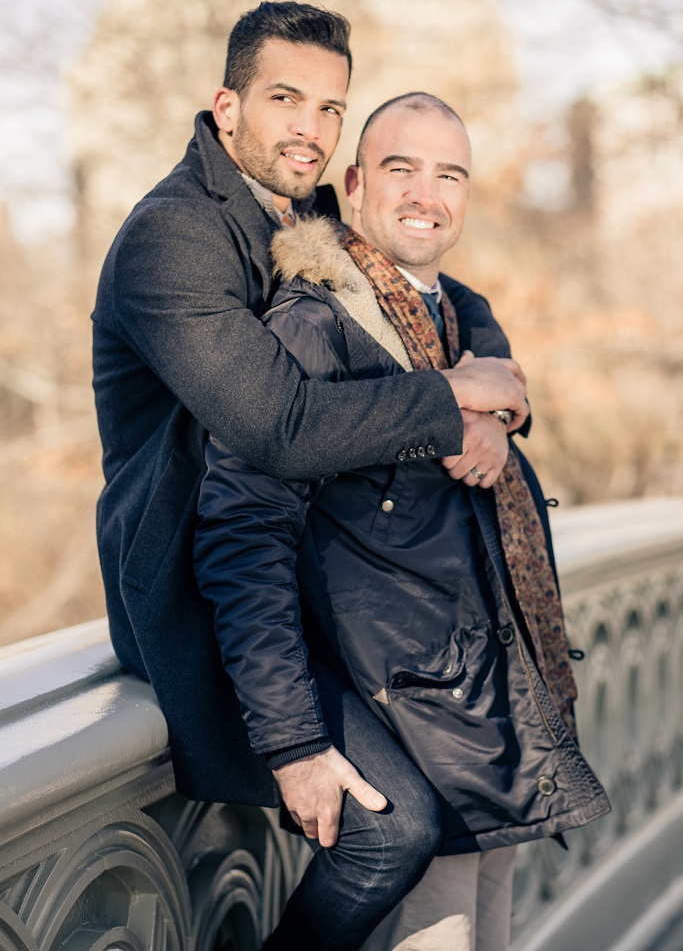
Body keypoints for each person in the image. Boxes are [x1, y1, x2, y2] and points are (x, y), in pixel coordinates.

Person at [194, 94, 611, 951]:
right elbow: (244, 535)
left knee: (490, 919)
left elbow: (493, 381)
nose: (427, 193)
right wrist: (294, 738)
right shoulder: (314, 326)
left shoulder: (448, 313)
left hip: (486, 691)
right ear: (352, 183)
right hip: (405, 706)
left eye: (448, 173)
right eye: (400, 169)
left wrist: (500, 416)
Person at [92, 2, 528, 808]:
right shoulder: (173, 236)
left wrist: (494, 403)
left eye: (329, 108)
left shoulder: (301, 212)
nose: (310, 129)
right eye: (284, 99)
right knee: (390, 832)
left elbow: (438, 284)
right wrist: (452, 395)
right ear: (228, 109)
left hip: (304, 576)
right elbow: (280, 426)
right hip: (203, 590)